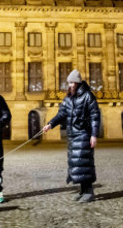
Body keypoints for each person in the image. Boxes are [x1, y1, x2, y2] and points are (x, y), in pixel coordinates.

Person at [43, 69, 100, 203]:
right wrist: (50, 124)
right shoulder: (68, 98)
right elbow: (61, 114)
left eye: (73, 83)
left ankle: (89, 192)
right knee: (77, 164)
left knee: (85, 163)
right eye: (69, 82)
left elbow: (95, 116)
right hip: (73, 135)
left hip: (84, 133)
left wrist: (94, 135)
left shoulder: (88, 96)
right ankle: (83, 191)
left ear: (78, 83)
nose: (70, 85)